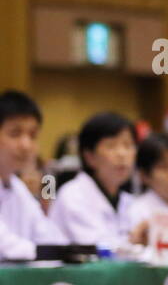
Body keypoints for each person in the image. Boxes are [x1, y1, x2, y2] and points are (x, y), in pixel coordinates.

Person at [48, 112, 138, 251]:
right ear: (89, 156)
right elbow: (97, 249)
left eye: (128, 145)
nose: (122, 154)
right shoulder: (73, 196)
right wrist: (134, 240)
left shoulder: (128, 200)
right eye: (111, 146)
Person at [0, 91, 65, 260]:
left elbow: (49, 234)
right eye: (15, 134)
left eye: (33, 136)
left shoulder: (44, 174)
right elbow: (6, 246)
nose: (26, 145)